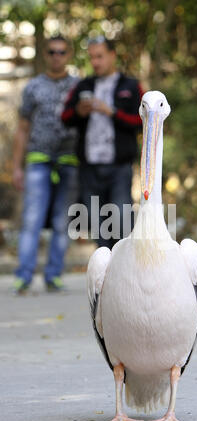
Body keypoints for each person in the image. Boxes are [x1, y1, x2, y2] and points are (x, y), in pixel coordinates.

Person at [61, 36, 144, 249]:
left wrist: (113, 113)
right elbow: (65, 117)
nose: (95, 62)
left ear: (112, 55)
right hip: (89, 168)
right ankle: (105, 279)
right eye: (92, 58)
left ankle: (126, 274)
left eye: (100, 56)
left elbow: (143, 122)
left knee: (121, 222)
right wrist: (79, 112)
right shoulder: (83, 85)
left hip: (119, 167)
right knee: (98, 228)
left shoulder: (131, 86)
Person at [12, 35, 79, 293]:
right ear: (45, 54)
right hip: (38, 160)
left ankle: (53, 274)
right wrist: (17, 167)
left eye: (61, 52)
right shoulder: (33, 87)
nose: (56, 56)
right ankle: (24, 275)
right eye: (52, 51)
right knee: (32, 220)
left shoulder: (78, 85)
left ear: (69, 54)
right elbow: (22, 128)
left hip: (69, 160)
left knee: (63, 222)